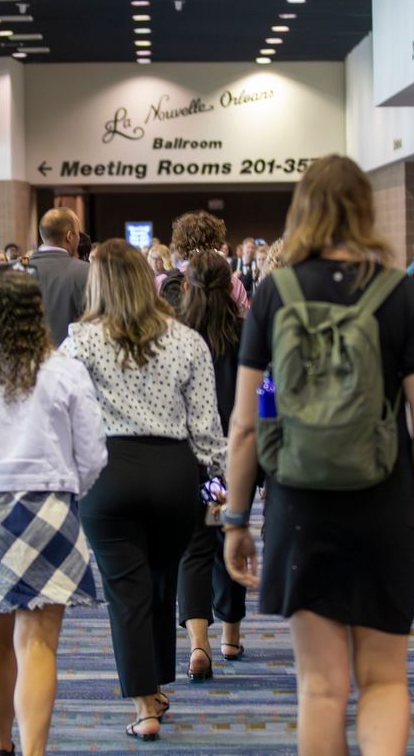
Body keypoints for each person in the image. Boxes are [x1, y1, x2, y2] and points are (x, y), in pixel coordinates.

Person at [222, 155, 414, 756]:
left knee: (320, 688)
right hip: (385, 499)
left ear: (303, 211)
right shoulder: (403, 295)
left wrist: (237, 518)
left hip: (300, 500)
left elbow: (244, 425)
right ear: (366, 210)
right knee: (384, 680)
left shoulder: (274, 292)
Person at [0, 272, 107, 756]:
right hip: (50, 508)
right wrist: (71, 492)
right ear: (39, 314)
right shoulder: (66, 370)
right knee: (39, 645)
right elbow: (92, 453)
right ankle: (34, 751)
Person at [61, 239, 225, 742]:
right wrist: (218, 482)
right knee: (159, 583)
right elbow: (207, 427)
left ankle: (144, 705)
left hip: (108, 473)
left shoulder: (79, 341)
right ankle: (153, 687)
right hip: (173, 472)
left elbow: (63, 415)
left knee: (124, 592)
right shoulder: (186, 340)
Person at [174, 252, 249, 680]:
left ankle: (198, 642)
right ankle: (231, 635)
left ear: (188, 288)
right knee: (227, 539)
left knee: (194, 548)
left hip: (189, 461)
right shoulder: (244, 334)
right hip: (229, 464)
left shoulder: (177, 336)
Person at [157, 211, 249, 314]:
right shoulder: (233, 282)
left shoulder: (163, 281)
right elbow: (243, 319)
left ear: (181, 244)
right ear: (217, 242)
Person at [26, 209, 89, 346]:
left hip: (25, 362)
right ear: (70, 236)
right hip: (70, 362)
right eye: (78, 234)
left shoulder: (14, 272)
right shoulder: (87, 272)